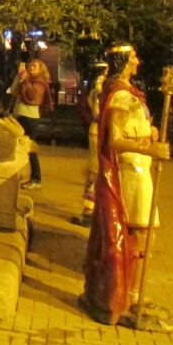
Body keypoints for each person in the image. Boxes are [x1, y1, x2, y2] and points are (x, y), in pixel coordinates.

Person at [80, 44, 173, 332]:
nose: (138, 60)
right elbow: (114, 140)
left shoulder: (129, 93)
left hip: (139, 169)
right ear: (124, 61)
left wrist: (150, 132)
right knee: (141, 233)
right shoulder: (121, 96)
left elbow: (133, 129)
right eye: (134, 56)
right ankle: (128, 298)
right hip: (130, 172)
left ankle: (133, 295)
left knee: (144, 235)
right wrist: (149, 147)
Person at [75, 61, 109, 225]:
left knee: (97, 169)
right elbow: (97, 110)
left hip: (102, 129)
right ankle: (89, 209)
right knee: (95, 169)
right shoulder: (99, 89)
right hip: (99, 129)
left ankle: (95, 209)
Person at [12, 59, 51, 190]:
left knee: (29, 149)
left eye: (34, 66)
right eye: (30, 65)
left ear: (41, 69)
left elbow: (32, 97)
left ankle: (36, 178)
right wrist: (20, 77)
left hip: (29, 119)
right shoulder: (26, 78)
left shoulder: (39, 82)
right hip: (20, 116)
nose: (31, 67)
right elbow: (12, 90)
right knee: (16, 146)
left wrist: (26, 80)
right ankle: (16, 174)